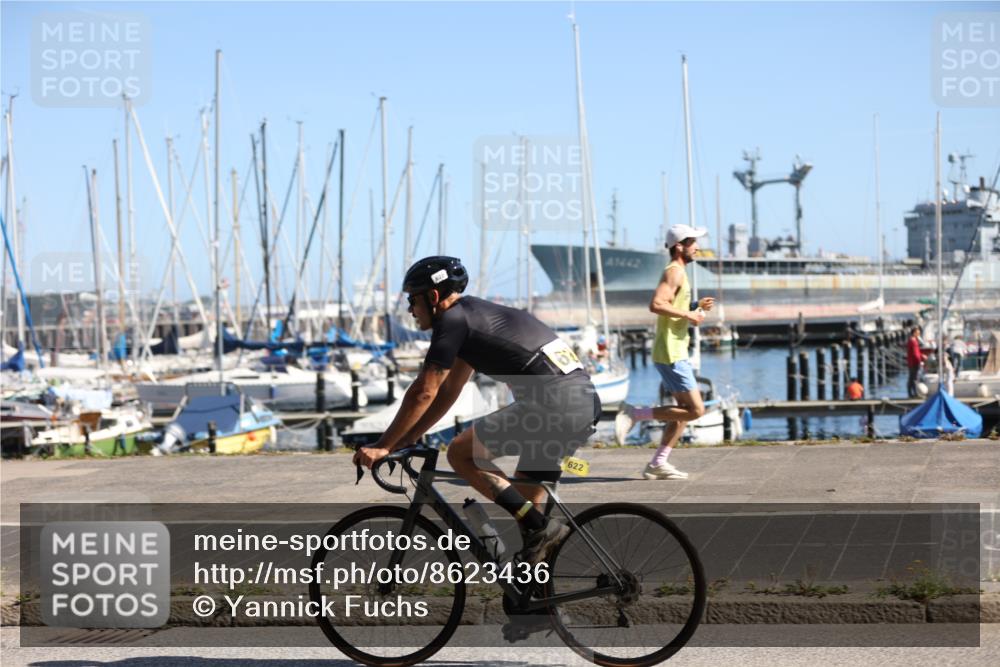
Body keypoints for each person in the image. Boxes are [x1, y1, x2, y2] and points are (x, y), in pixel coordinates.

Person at [353, 256, 600, 566]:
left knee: (460, 454)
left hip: (554, 405)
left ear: (433, 297)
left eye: (412, 299)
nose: (409, 310)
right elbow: (447, 392)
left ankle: (544, 530)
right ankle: (539, 603)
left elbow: (424, 391)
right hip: (581, 403)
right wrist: (411, 435)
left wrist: (383, 445)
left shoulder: (453, 321)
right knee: (527, 518)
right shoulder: (475, 317)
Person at [614, 224, 715, 480]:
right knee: (695, 411)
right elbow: (657, 304)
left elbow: (673, 303)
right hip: (671, 351)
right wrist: (689, 314)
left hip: (674, 348)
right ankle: (634, 414)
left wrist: (694, 306)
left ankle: (658, 463)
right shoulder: (674, 272)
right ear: (679, 246)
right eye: (693, 242)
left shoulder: (679, 272)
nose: (698, 247)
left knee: (681, 413)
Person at [906, 327, 925, 398]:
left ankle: (912, 393)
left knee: (913, 378)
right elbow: (914, 353)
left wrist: (921, 355)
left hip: (913, 362)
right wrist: (919, 360)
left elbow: (917, 352)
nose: (919, 334)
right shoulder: (913, 341)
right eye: (918, 333)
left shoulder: (913, 341)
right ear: (914, 333)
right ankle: (913, 393)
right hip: (914, 362)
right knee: (913, 378)